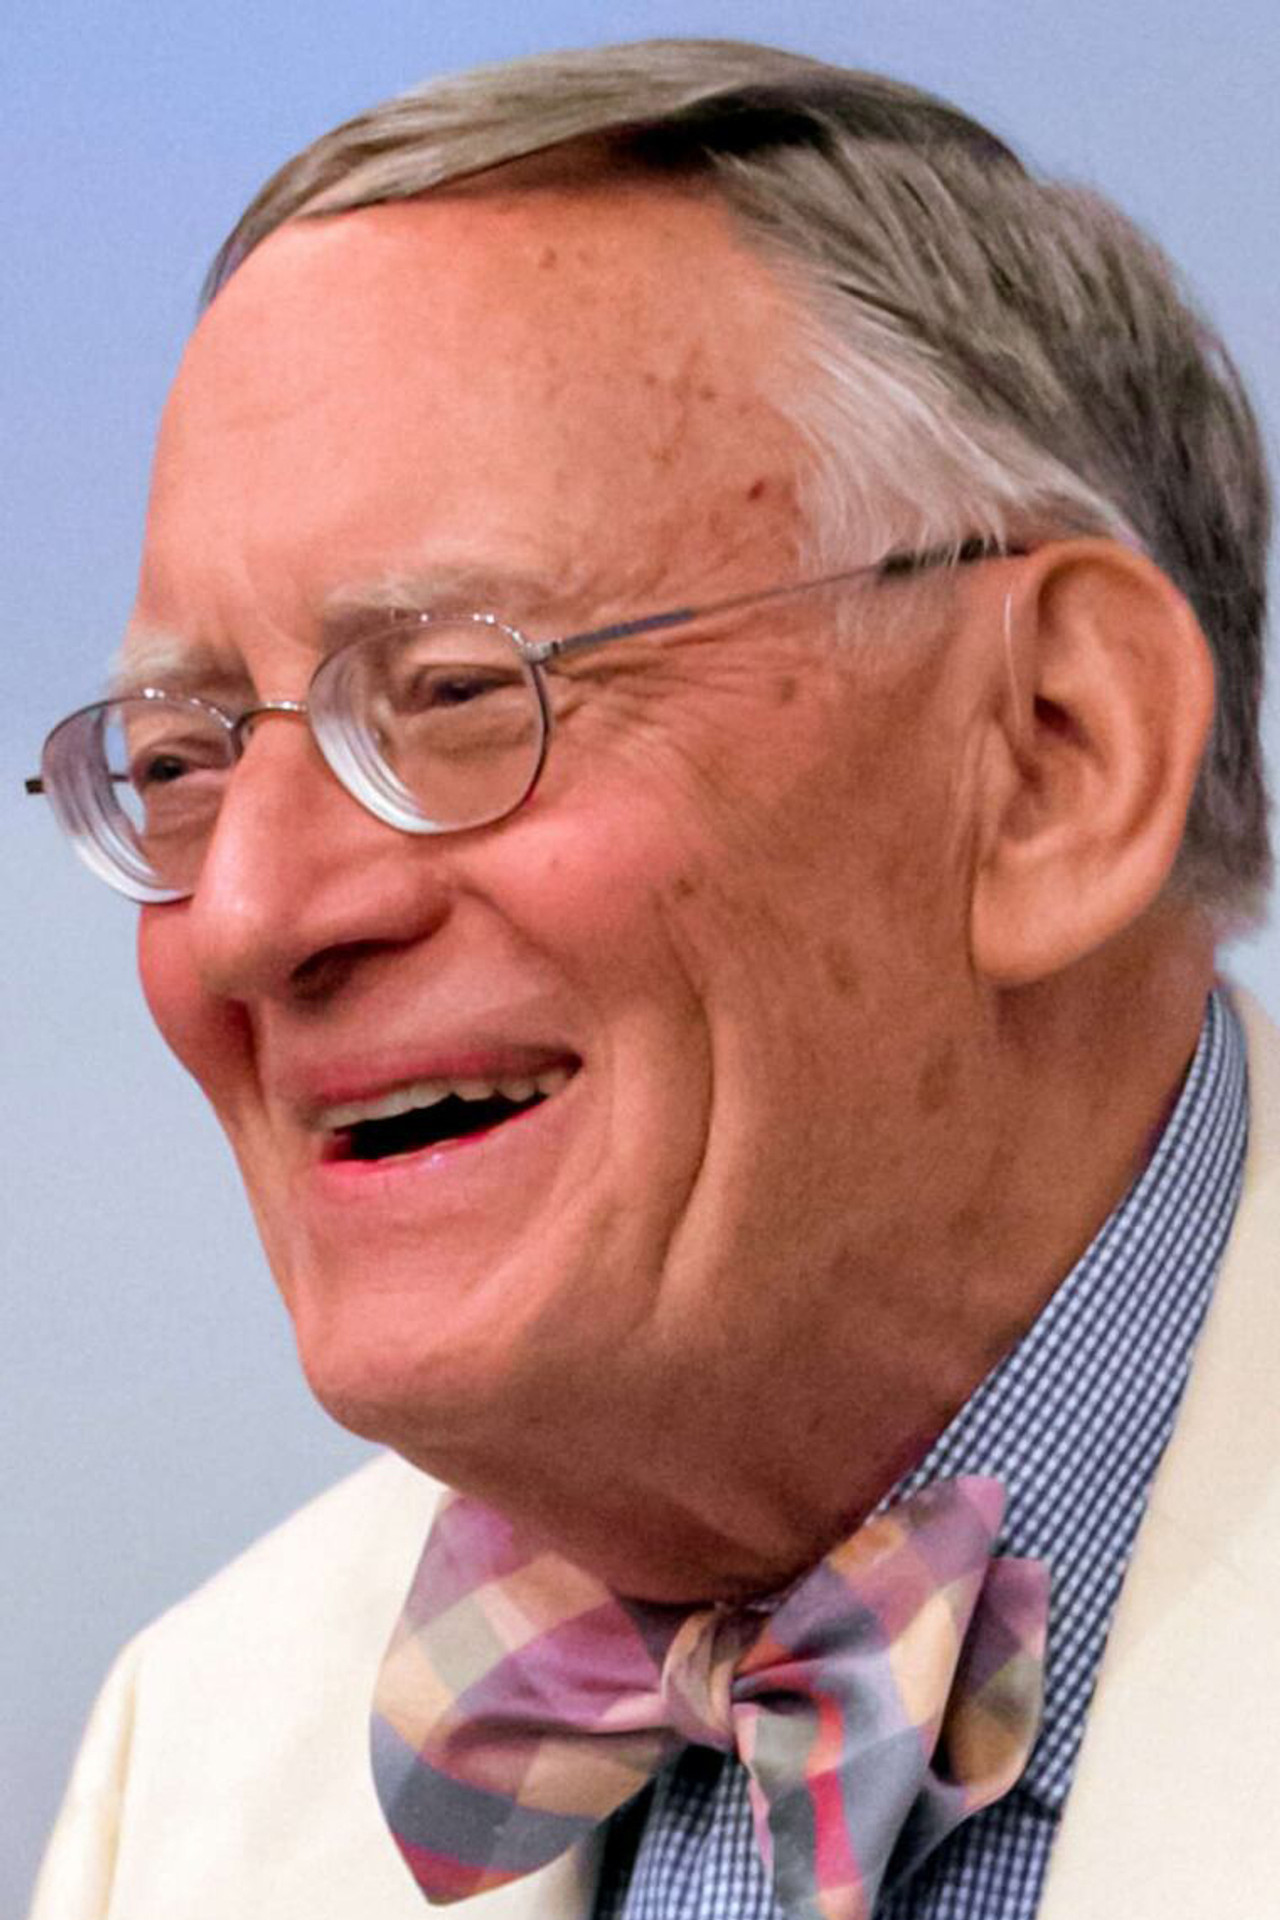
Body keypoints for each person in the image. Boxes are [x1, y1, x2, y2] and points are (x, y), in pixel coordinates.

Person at [27, 36, 1279, 1920]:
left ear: (1049, 756)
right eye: (182, 761)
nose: (249, 919)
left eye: (458, 694)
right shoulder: (191, 1768)